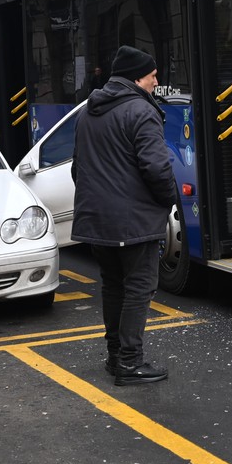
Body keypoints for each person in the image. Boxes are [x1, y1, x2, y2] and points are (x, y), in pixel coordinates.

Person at [71, 45, 177, 386]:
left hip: (97, 219)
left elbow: (77, 169)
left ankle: (116, 356)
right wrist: (168, 200)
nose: (156, 82)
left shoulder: (88, 111)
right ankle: (130, 363)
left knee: (114, 285)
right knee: (140, 287)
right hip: (134, 221)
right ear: (136, 78)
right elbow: (157, 168)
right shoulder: (141, 111)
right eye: (152, 76)